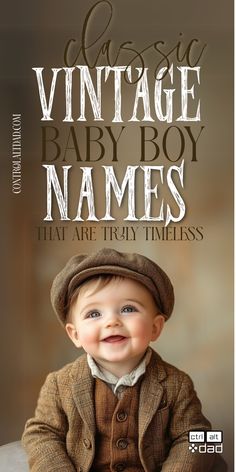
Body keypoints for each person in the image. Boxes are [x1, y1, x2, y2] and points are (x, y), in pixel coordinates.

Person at [22, 248, 227, 471]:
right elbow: (40, 433)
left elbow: (202, 438)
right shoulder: (59, 385)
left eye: (128, 309)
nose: (112, 321)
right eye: (94, 313)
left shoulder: (176, 384)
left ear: (155, 327)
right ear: (75, 334)